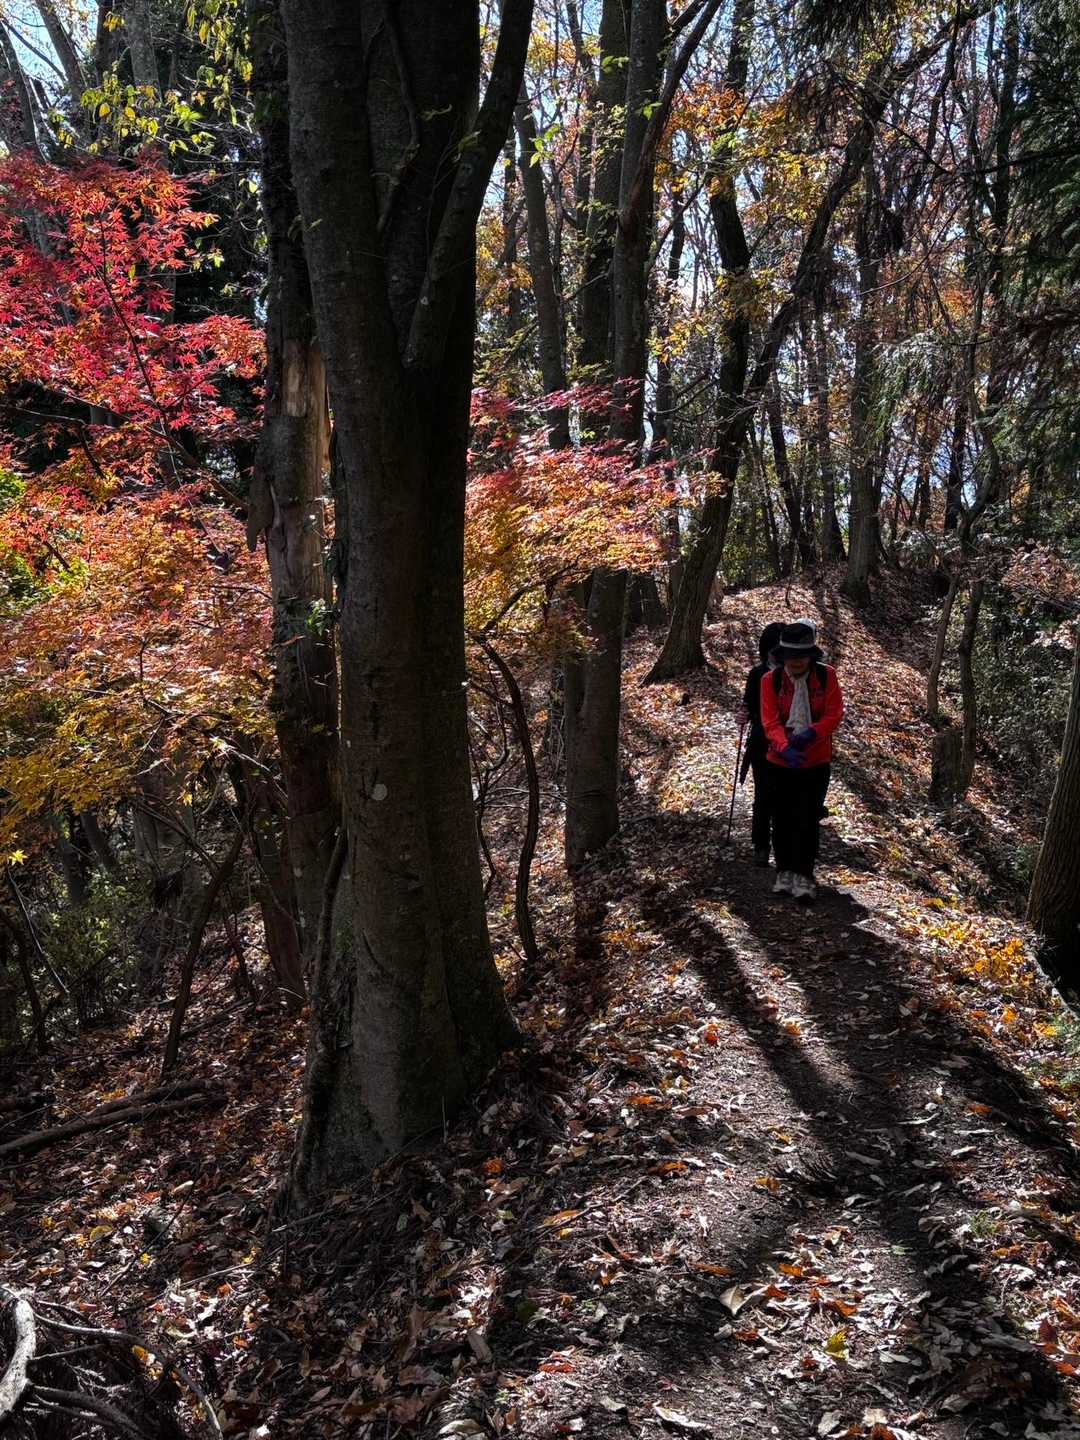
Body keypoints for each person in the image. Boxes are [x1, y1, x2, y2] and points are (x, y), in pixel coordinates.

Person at [760, 618, 843, 903]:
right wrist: (784, 746)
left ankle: (805, 875)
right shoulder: (770, 681)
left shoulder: (826, 676)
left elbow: (833, 714)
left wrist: (812, 733)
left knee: (808, 819)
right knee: (782, 818)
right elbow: (769, 721)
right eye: (790, 656)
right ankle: (784, 871)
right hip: (779, 762)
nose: (796, 661)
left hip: (816, 760)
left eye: (801, 656)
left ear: (811, 655)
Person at [736, 621, 784, 866]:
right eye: (773, 648)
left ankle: (782, 846)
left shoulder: (794, 674)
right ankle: (761, 846)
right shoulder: (756, 674)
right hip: (760, 740)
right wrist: (742, 714)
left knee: (783, 795)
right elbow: (747, 704)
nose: (776, 653)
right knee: (763, 793)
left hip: (788, 740)